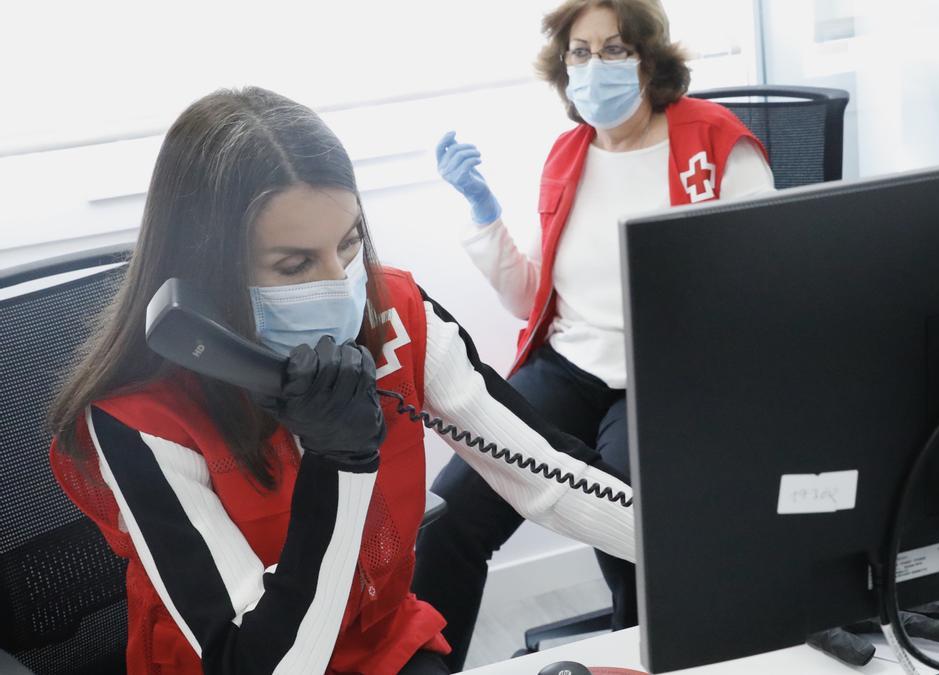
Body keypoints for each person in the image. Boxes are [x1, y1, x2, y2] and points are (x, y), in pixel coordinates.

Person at [46, 87, 635, 675]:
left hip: (379, 642)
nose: (339, 284)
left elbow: (547, 479)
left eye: (349, 243)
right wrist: (340, 462)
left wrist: (695, 548)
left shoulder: (393, 314)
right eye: (295, 265)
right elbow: (261, 663)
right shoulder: (141, 417)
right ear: (207, 271)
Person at [413, 0, 774, 670]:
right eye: (580, 52)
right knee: (447, 521)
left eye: (614, 49)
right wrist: (482, 212)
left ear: (648, 58)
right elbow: (531, 298)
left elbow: (765, 287)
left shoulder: (716, 141)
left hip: (669, 376)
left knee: (635, 524)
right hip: (570, 367)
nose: (594, 67)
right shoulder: (569, 154)